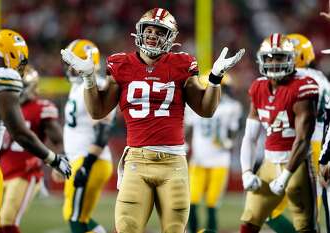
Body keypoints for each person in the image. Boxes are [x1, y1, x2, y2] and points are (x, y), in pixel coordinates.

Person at [61, 8, 245, 233]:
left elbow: (205, 110)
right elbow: (97, 111)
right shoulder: (121, 64)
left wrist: (215, 79)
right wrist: (89, 79)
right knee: (127, 228)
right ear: (139, 32)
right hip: (137, 161)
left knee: (174, 229)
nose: (152, 35)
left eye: (159, 32)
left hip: (173, 163)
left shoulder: (182, 64)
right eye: (148, 30)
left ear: (170, 38)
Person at [0, 29, 71, 233]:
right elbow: (19, 132)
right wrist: (53, 159)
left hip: (14, 169)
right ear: (12, 53)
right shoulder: (5, 77)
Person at [239, 33, 319, 233]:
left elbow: (302, 140)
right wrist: (247, 171)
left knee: (304, 225)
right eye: (269, 58)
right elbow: (250, 136)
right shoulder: (258, 87)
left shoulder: (302, 87)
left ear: (291, 59)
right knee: (249, 219)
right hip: (268, 162)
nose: (274, 63)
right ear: (261, 59)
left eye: (280, 58)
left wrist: (285, 177)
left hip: (296, 164)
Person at [265, 33, 330, 233]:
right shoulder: (322, 80)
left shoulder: (298, 80)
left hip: (300, 147)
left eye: (282, 56)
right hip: (318, 147)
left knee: (268, 210)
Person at [55, 39, 114, 233]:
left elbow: (103, 131)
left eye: (72, 63)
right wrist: (65, 158)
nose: (68, 69)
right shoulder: (77, 87)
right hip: (78, 159)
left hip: (90, 161)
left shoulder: (95, 86)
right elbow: (75, 129)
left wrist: (86, 165)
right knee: (73, 214)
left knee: (75, 216)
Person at [0, 65, 64, 233]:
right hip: (0, 169)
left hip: (25, 172)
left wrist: (60, 158)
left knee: (7, 221)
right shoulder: (3, 104)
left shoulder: (40, 107)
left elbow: (58, 139)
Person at [186, 73, 243, 233]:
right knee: (192, 201)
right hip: (200, 160)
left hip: (219, 160)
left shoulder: (232, 107)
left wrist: (229, 141)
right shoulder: (231, 107)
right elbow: (188, 129)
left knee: (211, 203)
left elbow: (233, 132)